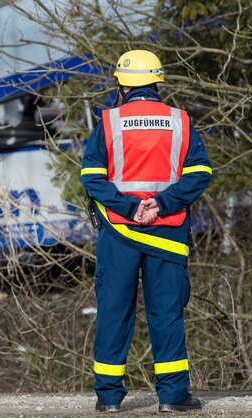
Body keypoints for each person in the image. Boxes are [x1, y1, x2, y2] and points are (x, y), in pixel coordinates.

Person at [80, 49, 212, 413]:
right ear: (157, 83)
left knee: (114, 312)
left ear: (121, 85)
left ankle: (108, 400)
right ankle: (172, 398)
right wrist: (163, 202)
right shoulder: (180, 121)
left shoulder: (108, 122)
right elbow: (201, 173)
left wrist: (128, 206)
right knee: (166, 314)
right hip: (167, 232)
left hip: (120, 232)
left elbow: (92, 177)